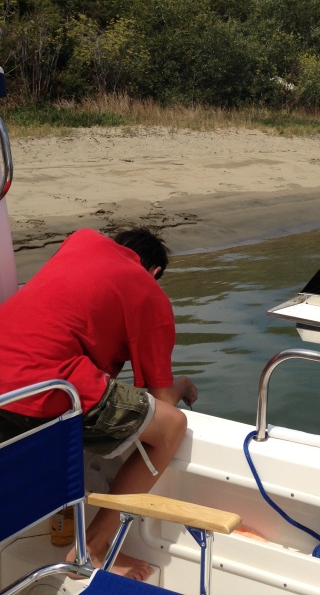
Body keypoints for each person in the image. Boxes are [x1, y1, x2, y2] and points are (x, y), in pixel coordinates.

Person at [0, 226, 198, 580]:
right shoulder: (148, 291)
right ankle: (93, 546)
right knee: (171, 428)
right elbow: (162, 402)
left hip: (6, 383)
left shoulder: (79, 242)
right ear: (155, 273)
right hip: (46, 384)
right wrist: (179, 383)